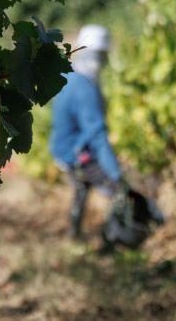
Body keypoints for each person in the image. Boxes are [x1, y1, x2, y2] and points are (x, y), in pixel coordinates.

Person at [48, 24, 122, 240]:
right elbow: (97, 133)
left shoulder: (69, 77)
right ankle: (111, 240)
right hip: (75, 152)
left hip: (63, 148)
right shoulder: (84, 87)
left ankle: (74, 235)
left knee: (81, 188)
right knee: (116, 190)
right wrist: (115, 172)